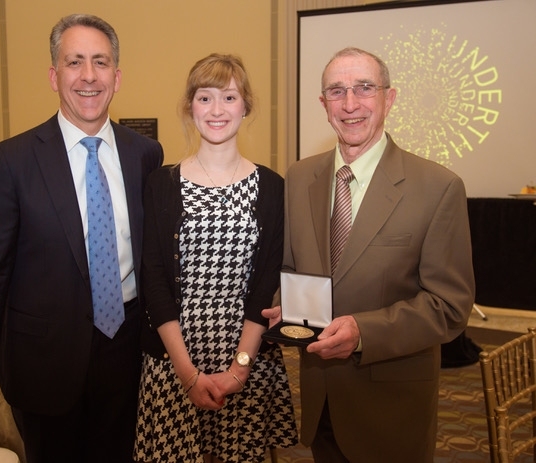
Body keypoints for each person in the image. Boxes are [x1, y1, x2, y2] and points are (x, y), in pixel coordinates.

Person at [0, 14, 164, 463]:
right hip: (42, 365)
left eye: (100, 63)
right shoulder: (11, 161)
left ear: (117, 77)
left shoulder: (145, 155)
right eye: (74, 62)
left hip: (127, 358)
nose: (89, 76)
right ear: (53, 75)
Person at [262, 47, 475, 463]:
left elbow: (449, 306)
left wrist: (364, 332)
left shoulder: (438, 186)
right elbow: (290, 266)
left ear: (389, 98)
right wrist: (284, 306)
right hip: (321, 397)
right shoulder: (300, 176)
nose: (350, 104)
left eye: (364, 88)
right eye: (337, 92)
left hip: (392, 409)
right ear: (323, 105)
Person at [134, 53, 298, 463]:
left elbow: (265, 284)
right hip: (173, 365)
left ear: (246, 107)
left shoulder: (273, 188)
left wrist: (239, 369)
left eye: (228, 97)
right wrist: (188, 374)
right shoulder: (160, 184)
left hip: (247, 361)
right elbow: (154, 282)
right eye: (204, 98)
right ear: (190, 107)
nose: (217, 110)